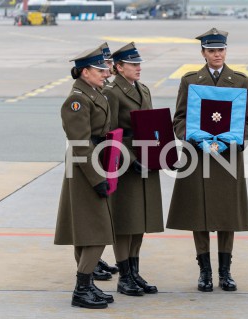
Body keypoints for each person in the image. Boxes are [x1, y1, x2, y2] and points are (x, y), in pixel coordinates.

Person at [167, 28, 248, 292]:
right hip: (198, 158)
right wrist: (192, 138)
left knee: (227, 217)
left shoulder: (239, 81)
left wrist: (237, 141)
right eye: (211, 50)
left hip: (228, 159)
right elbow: (179, 118)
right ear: (203, 53)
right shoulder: (191, 80)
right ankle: (204, 272)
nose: (217, 55)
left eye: (221, 50)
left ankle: (225, 272)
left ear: (226, 51)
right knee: (200, 216)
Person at [54, 46, 115, 308]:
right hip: (84, 170)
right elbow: (80, 143)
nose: (106, 73)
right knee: (97, 231)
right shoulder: (76, 100)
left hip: (95, 163)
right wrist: (97, 178)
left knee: (90, 229)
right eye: (100, 70)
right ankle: (81, 290)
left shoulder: (92, 92)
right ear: (85, 71)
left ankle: (88, 284)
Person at [103, 42, 164, 296]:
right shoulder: (112, 92)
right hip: (125, 164)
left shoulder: (143, 89)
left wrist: (163, 149)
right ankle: (124, 276)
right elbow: (111, 133)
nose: (138, 68)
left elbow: (150, 124)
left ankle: (134, 272)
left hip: (147, 158)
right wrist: (129, 159)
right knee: (125, 222)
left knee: (140, 220)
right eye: (133, 64)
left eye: (139, 64)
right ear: (119, 67)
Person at [90, 42, 119, 282]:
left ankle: (94, 261)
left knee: (99, 214)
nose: (107, 68)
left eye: (108, 63)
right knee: (86, 215)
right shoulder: (93, 91)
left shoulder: (103, 88)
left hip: (103, 156)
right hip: (89, 158)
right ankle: (88, 266)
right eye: (104, 64)